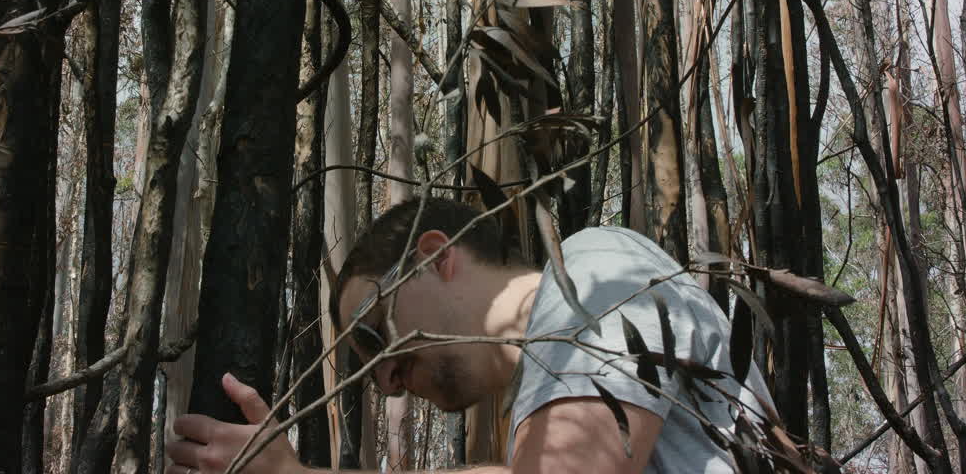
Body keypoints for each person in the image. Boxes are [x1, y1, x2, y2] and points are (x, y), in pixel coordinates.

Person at [167, 197, 775, 474]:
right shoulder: (545, 402)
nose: (386, 381)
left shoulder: (591, 270)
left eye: (377, 336)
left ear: (434, 258)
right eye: (375, 376)